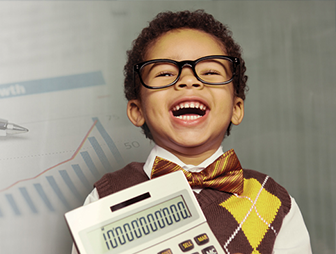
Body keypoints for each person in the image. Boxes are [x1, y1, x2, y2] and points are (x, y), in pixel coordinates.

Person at [71, 10, 312, 254]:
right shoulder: (106, 197)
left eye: (210, 72)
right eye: (165, 73)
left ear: (236, 109)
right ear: (137, 111)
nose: (188, 80)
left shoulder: (273, 201)